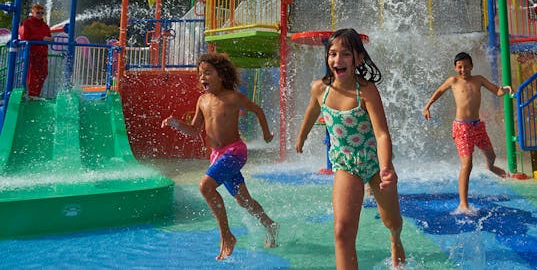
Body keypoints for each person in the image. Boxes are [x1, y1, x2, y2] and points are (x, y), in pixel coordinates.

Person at [295, 28, 405, 269]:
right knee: (342, 230)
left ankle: (396, 240)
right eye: (332, 54)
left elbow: (382, 133)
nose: (337, 60)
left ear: (359, 58)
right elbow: (312, 110)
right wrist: (301, 137)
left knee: (392, 220)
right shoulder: (320, 89)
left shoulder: (365, 90)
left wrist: (386, 167)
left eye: (345, 54)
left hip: (375, 162)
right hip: (346, 165)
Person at [161, 52, 278, 261]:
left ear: (221, 75)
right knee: (243, 200)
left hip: (235, 152)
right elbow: (195, 130)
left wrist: (267, 134)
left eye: (207, 72)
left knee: (205, 187)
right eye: (200, 74)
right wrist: (177, 124)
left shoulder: (233, 97)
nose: (202, 77)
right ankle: (270, 225)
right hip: (217, 156)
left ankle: (226, 236)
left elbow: (258, 110)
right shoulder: (202, 100)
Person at [422, 51, 512, 215]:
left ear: (472, 66)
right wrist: (428, 106)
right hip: (461, 128)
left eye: (466, 66)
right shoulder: (453, 81)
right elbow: (439, 91)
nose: (463, 69)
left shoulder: (478, 79)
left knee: (491, 155)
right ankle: (463, 203)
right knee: (467, 164)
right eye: (460, 67)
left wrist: (505, 90)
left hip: (477, 126)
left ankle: (490, 167)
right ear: (455, 68)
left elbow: (496, 91)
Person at [18, 4, 52, 97]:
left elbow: (48, 36)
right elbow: (24, 37)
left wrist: (50, 39)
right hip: (31, 54)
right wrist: (42, 38)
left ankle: (35, 95)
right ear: (33, 13)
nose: (40, 14)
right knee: (32, 76)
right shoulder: (26, 23)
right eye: (38, 13)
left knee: (43, 73)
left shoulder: (45, 26)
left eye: (42, 13)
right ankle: (32, 95)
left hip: (42, 54)